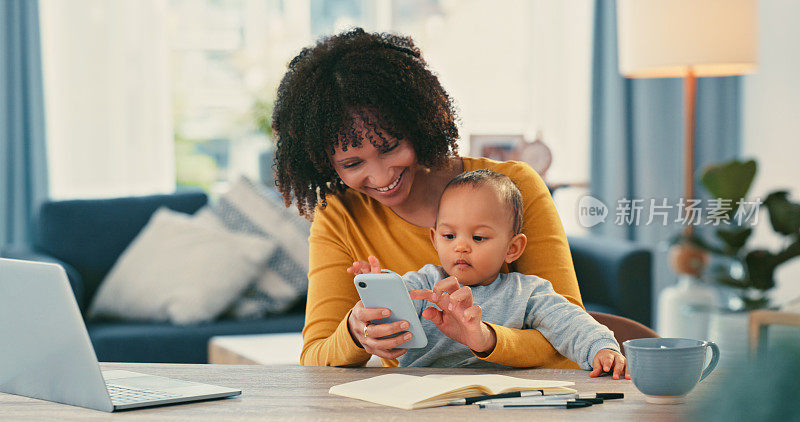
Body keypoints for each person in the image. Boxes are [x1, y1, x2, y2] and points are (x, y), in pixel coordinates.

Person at [272, 28, 584, 368]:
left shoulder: (514, 186)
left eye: (390, 147)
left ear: (417, 123)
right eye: (352, 163)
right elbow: (315, 359)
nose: (381, 177)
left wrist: (485, 339)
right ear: (324, 163)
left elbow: (568, 335)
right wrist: (355, 332)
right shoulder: (340, 215)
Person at [348, 170, 628, 378]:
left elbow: (569, 321)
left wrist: (601, 349)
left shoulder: (527, 292)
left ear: (513, 248)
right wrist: (379, 285)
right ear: (434, 240)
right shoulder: (423, 283)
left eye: (479, 237)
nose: (461, 246)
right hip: (421, 395)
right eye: (449, 235)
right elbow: (395, 310)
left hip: (502, 396)